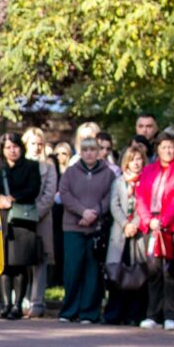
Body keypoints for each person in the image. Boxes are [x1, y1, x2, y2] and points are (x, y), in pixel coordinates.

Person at [136, 132, 174, 330]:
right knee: (153, 271)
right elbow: (141, 196)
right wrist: (148, 220)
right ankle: (152, 314)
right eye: (163, 147)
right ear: (157, 149)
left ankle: (171, 315)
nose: (167, 151)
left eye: (171, 147)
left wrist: (164, 220)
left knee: (171, 271)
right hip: (151, 226)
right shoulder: (148, 170)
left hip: (172, 227)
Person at [58, 137, 115, 323]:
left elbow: (110, 196)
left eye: (93, 149)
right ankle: (69, 310)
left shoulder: (108, 173)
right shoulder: (71, 172)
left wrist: (95, 213)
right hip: (73, 227)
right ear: (80, 152)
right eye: (85, 149)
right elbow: (65, 194)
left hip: (96, 229)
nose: (89, 153)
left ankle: (89, 312)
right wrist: (82, 212)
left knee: (93, 272)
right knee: (72, 270)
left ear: (99, 152)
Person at [0, 133, 41, 320]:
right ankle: (6, 304)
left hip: (22, 218)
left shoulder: (31, 166)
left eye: (15, 146)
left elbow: (34, 188)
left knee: (20, 263)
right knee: (5, 264)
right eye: (8, 147)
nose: (12, 150)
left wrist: (13, 198)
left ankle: (17, 305)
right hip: (3, 219)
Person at [103, 144, 148, 325]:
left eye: (138, 159)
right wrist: (125, 224)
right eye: (132, 160)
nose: (136, 163)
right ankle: (115, 313)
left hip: (138, 233)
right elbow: (114, 205)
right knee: (117, 274)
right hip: (120, 233)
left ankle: (134, 315)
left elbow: (145, 205)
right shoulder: (119, 181)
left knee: (137, 274)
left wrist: (135, 224)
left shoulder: (146, 180)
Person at [23, 127, 57, 318]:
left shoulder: (49, 166)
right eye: (32, 143)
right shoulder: (19, 165)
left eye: (39, 144)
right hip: (21, 220)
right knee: (22, 259)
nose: (36, 147)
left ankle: (37, 302)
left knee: (40, 260)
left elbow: (49, 194)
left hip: (41, 219)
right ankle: (24, 299)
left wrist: (34, 213)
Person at [50, 141, 74, 287]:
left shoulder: (72, 172)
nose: (60, 157)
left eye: (64, 153)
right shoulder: (53, 170)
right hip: (54, 212)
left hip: (69, 212)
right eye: (57, 154)